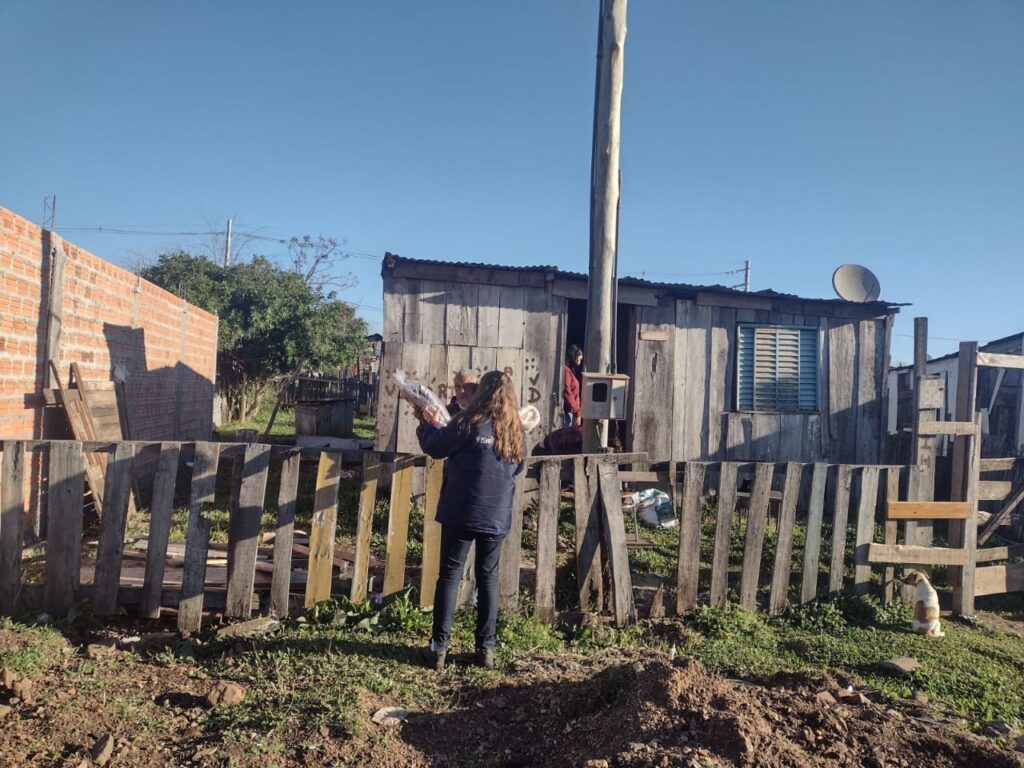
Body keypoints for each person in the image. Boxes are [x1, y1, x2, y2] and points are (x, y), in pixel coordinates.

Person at [412, 370, 525, 671]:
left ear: (482, 392)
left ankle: (438, 649)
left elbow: (436, 447)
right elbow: (517, 469)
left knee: (450, 575)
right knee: (487, 578)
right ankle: (485, 649)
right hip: (496, 515)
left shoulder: (467, 422)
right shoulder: (515, 430)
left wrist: (424, 424)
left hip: (462, 510)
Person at [563, 344, 583, 427]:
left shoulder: (570, 371)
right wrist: (577, 412)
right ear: (574, 356)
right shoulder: (567, 371)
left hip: (571, 413)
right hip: (568, 414)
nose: (580, 362)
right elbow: (568, 392)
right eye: (580, 359)